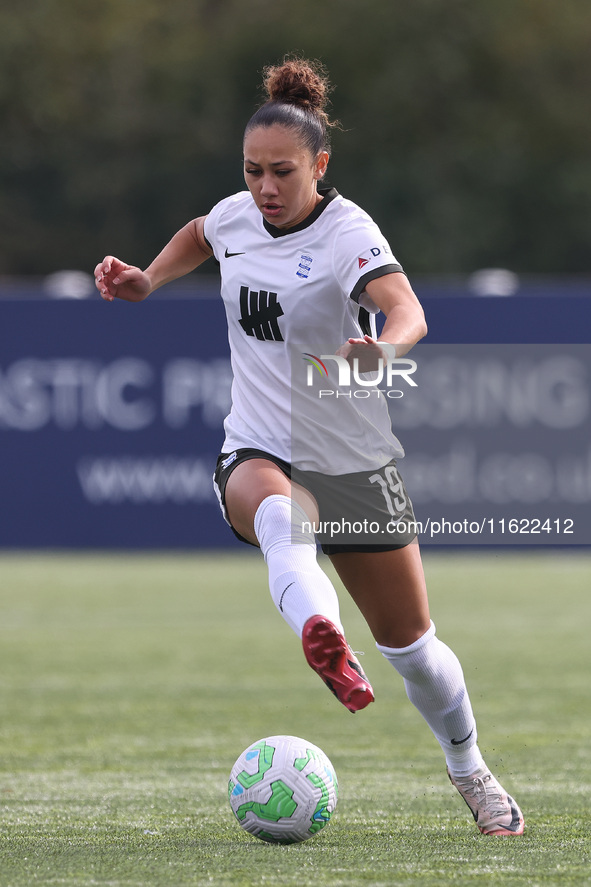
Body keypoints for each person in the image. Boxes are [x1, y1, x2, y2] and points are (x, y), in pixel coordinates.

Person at [95, 57, 524, 836]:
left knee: (417, 654)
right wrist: (149, 278)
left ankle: (470, 768)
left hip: (352, 458)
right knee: (280, 515)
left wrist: (384, 351)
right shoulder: (234, 216)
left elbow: (406, 310)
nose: (264, 186)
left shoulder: (346, 231)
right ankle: (318, 635)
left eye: (282, 172)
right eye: (253, 170)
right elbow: (200, 233)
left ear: (319, 166)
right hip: (258, 446)